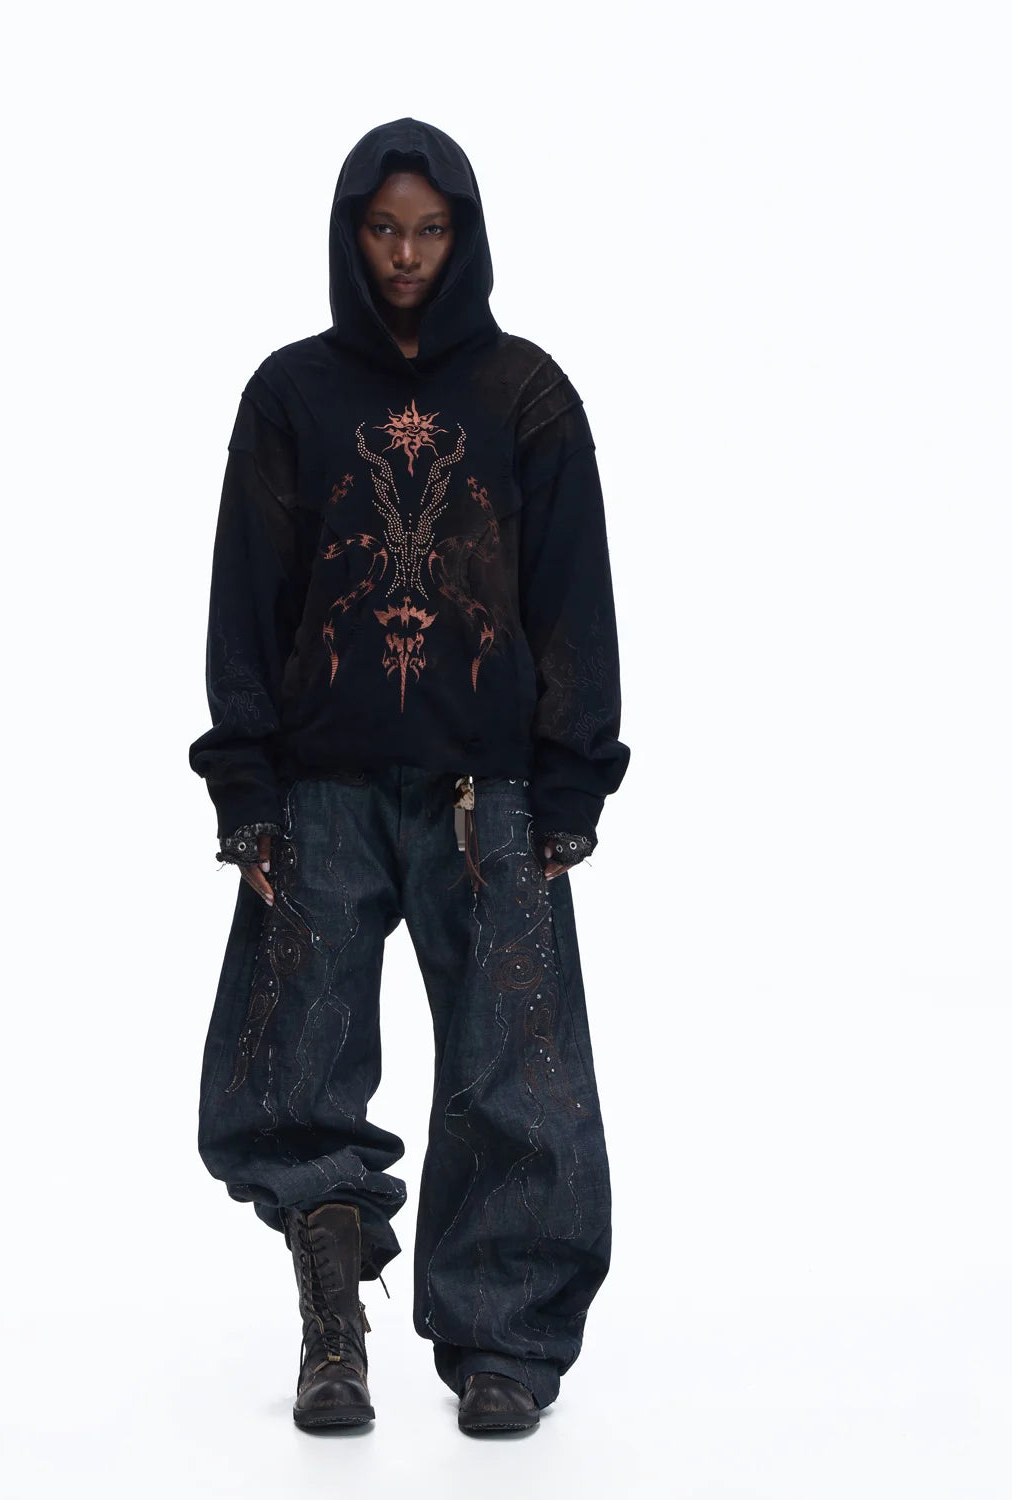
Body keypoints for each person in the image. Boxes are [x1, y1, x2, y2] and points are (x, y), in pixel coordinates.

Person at [188, 117, 630, 1434]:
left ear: (466, 234)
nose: (404, 255)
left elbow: (572, 594)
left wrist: (572, 780)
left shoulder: (528, 396)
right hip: (319, 793)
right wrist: (247, 788)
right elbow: (247, 597)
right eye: (383, 228)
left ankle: (504, 1350)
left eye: (429, 230)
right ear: (349, 232)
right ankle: (334, 1331)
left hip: (490, 800)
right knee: (293, 1071)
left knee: (517, 1077)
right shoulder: (290, 397)